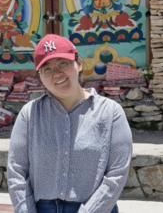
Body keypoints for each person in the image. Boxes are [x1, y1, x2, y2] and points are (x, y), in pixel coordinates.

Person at [7, 34, 133, 213]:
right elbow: (16, 172)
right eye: (47, 69)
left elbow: (117, 174)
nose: (56, 73)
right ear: (40, 77)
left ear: (79, 64)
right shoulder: (30, 114)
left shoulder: (110, 113)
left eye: (62, 63)